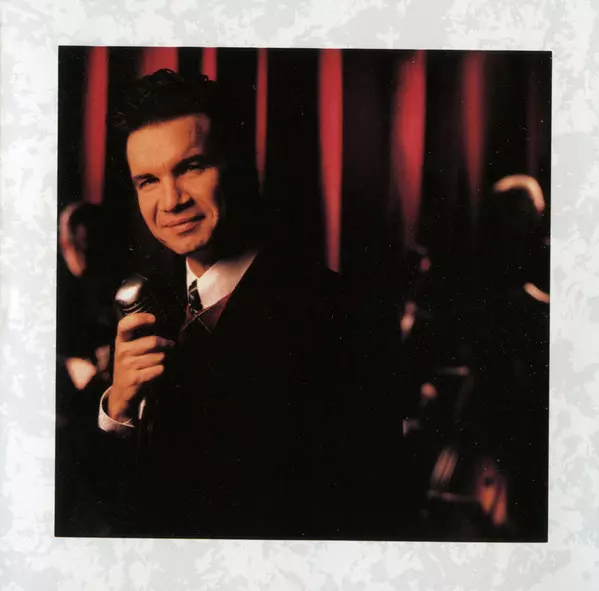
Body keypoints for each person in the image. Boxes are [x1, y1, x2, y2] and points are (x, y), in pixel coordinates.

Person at [94, 69, 406, 539]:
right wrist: (118, 409)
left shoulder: (344, 312)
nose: (171, 200)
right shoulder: (146, 306)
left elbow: (361, 513)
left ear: (239, 166)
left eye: (191, 167)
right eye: (148, 181)